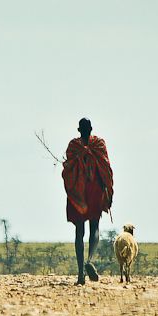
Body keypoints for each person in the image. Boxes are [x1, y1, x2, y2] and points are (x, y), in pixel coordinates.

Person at [62, 117, 113, 285]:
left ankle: (80, 274)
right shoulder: (99, 144)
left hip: (79, 193)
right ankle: (89, 260)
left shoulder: (73, 146)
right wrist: (109, 192)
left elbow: (67, 169)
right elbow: (106, 170)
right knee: (95, 227)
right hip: (95, 191)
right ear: (91, 129)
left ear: (79, 130)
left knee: (79, 231)